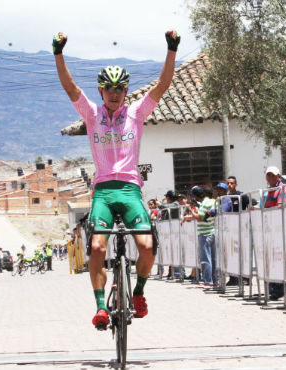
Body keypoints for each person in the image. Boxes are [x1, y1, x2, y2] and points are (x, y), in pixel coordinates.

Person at [53, 29, 180, 329]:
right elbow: (70, 88)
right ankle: (100, 307)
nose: (113, 93)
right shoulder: (92, 114)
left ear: (125, 91)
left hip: (131, 190)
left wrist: (172, 49)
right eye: (108, 88)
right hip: (104, 194)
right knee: (97, 248)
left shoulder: (136, 114)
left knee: (147, 246)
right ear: (100, 91)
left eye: (119, 88)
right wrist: (58, 54)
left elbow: (162, 86)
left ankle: (138, 293)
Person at [263, 166, 286, 300]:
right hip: (272, 230)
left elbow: (280, 206)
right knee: (275, 261)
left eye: (272, 175)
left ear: (279, 176)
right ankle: (276, 290)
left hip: (281, 230)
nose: (270, 178)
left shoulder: (283, 189)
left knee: (284, 260)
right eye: (268, 175)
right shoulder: (269, 191)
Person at [187, 186, 217, 286]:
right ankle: (215, 281)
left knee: (205, 259)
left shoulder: (204, 203)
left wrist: (192, 212)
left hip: (204, 233)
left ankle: (208, 281)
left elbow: (200, 218)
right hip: (212, 231)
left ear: (196, 196)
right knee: (213, 258)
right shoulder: (211, 201)